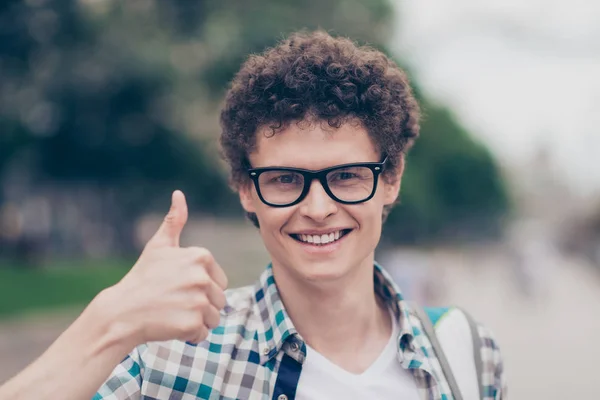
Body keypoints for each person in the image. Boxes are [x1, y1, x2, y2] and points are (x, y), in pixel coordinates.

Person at [0, 31, 505, 400]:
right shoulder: (169, 362)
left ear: (390, 179)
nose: (317, 208)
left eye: (347, 175)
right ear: (246, 189)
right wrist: (111, 322)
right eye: (286, 179)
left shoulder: (466, 350)